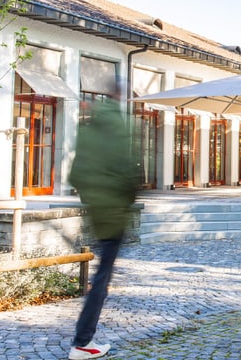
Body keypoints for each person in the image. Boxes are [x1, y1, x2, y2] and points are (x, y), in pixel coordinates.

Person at [67, 97, 140, 360]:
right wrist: (124, 201)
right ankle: (82, 342)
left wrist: (94, 197)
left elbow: (75, 176)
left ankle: (83, 340)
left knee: (101, 277)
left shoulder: (87, 134)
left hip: (97, 212)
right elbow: (131, 174)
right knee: (101, 279)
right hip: (114, 213)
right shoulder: (120, 131)